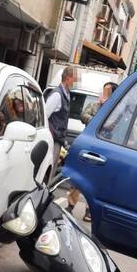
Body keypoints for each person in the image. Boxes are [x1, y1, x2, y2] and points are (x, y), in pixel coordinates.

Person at [74, 81, 118, 221]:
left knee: (94, 181)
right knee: (77, 176)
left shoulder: (115, 109)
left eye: (107, 91)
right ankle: (70, 204)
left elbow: (111, 126)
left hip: (103, 149)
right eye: (104, 90)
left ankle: (89, 210)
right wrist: (97, 121)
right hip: (88, 145)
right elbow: (83, 115)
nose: (104, 93)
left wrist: (97, 120)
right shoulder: (94, 104)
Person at [45, 66, 75, 182]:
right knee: (49, 168)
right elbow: (45, 115)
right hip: (53, 138)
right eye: (74, 79)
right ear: (67, 79)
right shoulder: (57, 95)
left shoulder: (66, 94)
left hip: (58, 138)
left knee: (52, 169)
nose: (74, 82)